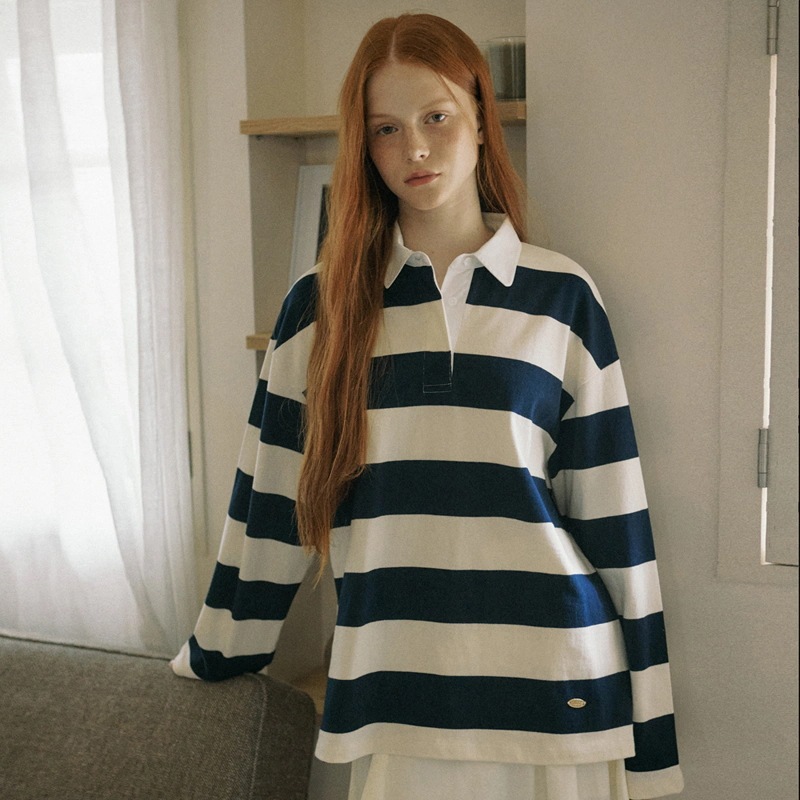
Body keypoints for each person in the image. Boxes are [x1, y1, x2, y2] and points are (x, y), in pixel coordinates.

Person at [172, 13, 684, 800]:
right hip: (395, 701)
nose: (414, 148)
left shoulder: (561, 298)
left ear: (480, 118)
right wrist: (214, 655)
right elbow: (267, 508)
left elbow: (618, 528)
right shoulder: (320, 309)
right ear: (364, 145)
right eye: (386, 128)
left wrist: (653, 745)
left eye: (435, 117)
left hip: (561, 696)